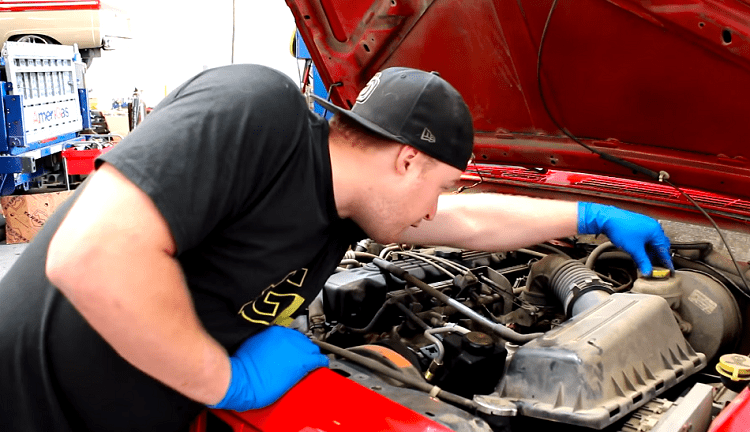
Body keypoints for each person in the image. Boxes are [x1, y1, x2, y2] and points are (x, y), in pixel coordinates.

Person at [0, 64, 673, 431]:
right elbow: (91, 254)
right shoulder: (258, 113)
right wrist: (227, 381)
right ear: (408, 161)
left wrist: (587, 216)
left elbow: (466, 225)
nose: (435, 208)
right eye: (441, 185)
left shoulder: (345, 211)